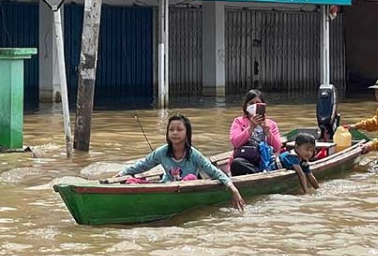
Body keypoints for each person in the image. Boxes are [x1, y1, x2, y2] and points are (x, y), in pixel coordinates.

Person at [117, 113, 245, 210]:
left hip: (188, 188)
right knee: (131, 181)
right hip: (167, 186)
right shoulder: (162, 152)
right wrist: (121, 174)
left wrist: (233, 189)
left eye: (179, 129)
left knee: (190, 177)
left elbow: (215, 172)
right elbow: (143, 165)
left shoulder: (194, 154)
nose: (174, 133)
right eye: (171, 130)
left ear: (187, 133)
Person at [229, 89, 282, 176]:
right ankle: (260, 174)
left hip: (266, 160)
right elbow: (235, 143)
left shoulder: (271, 124)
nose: (254, 106)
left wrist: (267, 131)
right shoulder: (239, 121)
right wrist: (251, 128)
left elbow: (277, 147)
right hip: (246, 159)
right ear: (246, 106)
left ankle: (262, 173)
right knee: (236, 163)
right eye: (251, 103)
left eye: (257, 103)